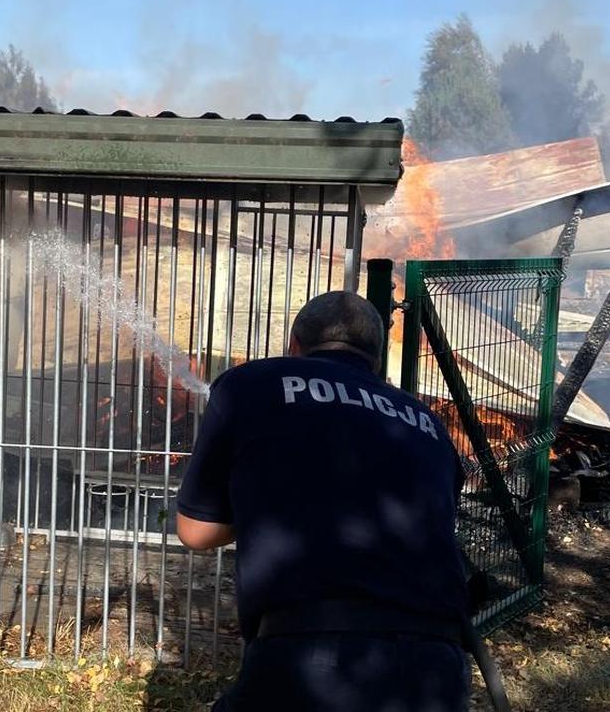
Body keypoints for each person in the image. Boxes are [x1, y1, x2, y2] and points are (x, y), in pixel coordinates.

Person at [175, 290, 470, 711]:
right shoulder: (428, 423)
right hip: (439, 665)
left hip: (314, 655)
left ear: (295, 346)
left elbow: (195, 530)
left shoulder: (251, 384)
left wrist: (277, 499)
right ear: (377, 363)